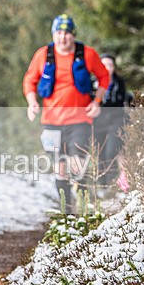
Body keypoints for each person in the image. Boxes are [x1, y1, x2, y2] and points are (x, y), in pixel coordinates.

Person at [23, 14, 110, 212]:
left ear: (73, 35)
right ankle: (67, 210)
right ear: (54, 35)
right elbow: (29, 80)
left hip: (80, 120)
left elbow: (104, 77)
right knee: (60, 167)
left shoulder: (87, 54)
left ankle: (85, 206)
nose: (63, 38)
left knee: (78, 164)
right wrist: (31, 102)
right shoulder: (44, 55)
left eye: (67, 33)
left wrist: (97, 101)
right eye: (59, 33)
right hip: (52, 121)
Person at [92, 53, 133, 186]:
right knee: (100, 154)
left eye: (110, 65)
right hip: (97, 123)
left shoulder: (119, 83)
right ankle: (101, 183)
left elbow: (123, 101)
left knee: (112, 150)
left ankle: (112, 181)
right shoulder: (92, 83)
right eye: (104, 65)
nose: (108, 68)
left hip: (115, 121)